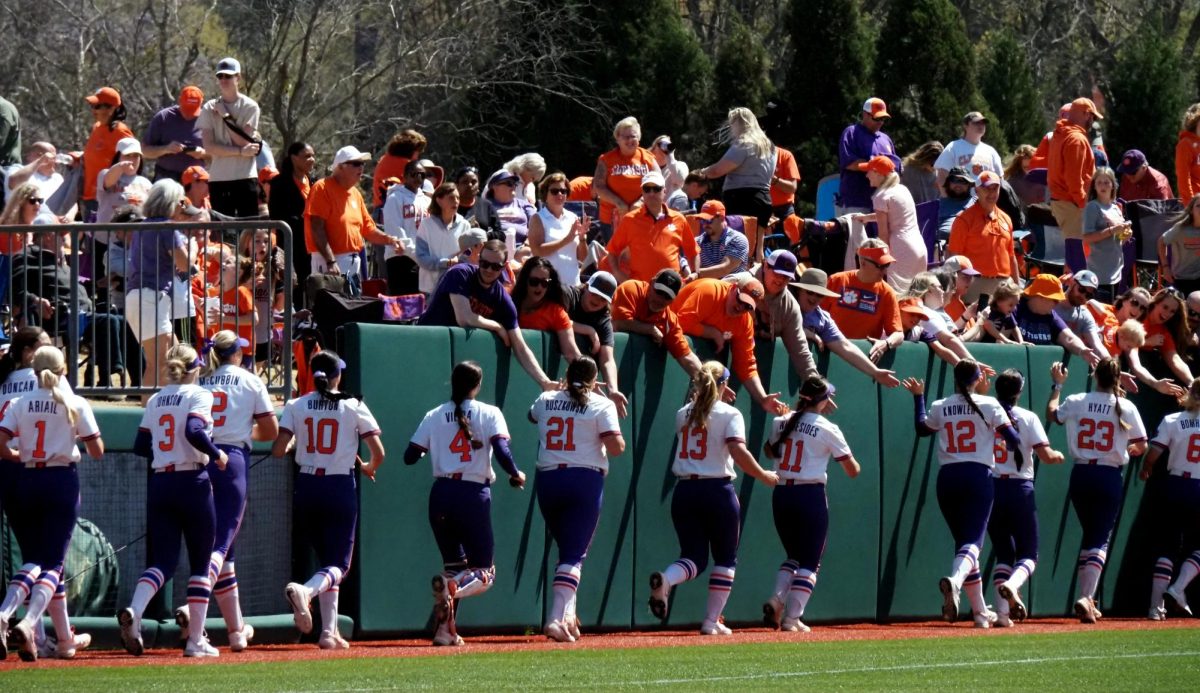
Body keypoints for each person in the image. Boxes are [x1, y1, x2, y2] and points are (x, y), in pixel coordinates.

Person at [647, 361, 778, 635]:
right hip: (717, 490)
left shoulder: (682, 414)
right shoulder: (730, 414)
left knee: (694, 556)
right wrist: (763, 474)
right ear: (723, 385)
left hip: (684, 491)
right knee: (725, 558)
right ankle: (711, 621)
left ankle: (668, 580)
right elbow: (738, 452)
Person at [404, 361, 523, 646]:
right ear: (477, 385)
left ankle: (446, 631)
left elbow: (410, 456)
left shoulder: (434, 414)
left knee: (455, 565)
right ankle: (452, 589)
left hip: (442, 493)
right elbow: (503, 451)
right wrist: (516, 473)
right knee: (485, 572)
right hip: (472, 494)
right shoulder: (489, 412)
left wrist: (430, 451)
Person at [121, 344, 227, 657]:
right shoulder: (199, 394)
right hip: (192, 480)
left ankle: (135, 610)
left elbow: (141, 445)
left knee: (162, 562)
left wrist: (166, 456)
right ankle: (195, 641)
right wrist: (218, 454)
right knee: (200, 563)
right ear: (196, 367)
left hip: (161, 481)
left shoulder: (155, 399)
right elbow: (194, 430)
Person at [0, 346, 103, 662]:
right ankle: (29, 623)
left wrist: (18, 455)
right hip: (60, 480)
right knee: (54, 563)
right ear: (64, 371)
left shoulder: (20, 402)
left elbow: (2, 442)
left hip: (28, 478)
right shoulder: (74, 402)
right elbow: (97, 449)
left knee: (33, 560)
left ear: (33, 372)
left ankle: (5, 615)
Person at [903, 359, 1021, 628]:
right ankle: (955, 583)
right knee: (974, 544)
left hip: (947, 478)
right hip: (977, 476)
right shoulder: (991, 404)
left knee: (965, 549)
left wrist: (918, 397)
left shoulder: (941, 405)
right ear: (978, 379)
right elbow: (1013, 441)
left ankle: (980, 614)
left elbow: (922, 429)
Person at [279, 350, 384, 650]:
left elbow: (278, 449)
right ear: (338, 375)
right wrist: (369, 468)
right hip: (337, 484)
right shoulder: (352, 404)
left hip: (307, 484)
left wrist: (298, 444)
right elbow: (378, 452)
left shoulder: (296, 404)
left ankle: (329, 631)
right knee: (340, 564)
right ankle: (306, 592)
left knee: (328, 563)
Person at [531, 356, 625, 642]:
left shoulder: (546, 397)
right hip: (583, 479)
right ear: (595, 380)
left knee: (569, 553)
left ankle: (568, 614)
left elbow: (533, 415)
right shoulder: (601, 404)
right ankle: (555, 619)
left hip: (548, 480)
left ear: (567, 373)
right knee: (573, 554)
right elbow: (617, 447)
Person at [1046, 358, 1147, 623]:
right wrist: (1128, 450)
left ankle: (1087, 600)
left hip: (1081, 473)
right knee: (1099, 539)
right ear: (1118, 378)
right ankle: (1087, 597)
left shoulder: (1078, 399)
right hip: (1108, 474)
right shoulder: (1125, 406)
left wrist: (1057, 385)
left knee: (1091, 536)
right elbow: (1141, 444)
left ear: (1095, 375)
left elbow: (1052, 414)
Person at [196, 330, 277, 652]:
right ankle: (196, 611)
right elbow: (269, 430)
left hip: (199, 458)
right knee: (222, 542)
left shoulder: (201, 380)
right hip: (231, 459)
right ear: (238, 353)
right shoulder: (249, 380)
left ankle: (235, 631)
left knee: (224, 550)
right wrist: (246, 431)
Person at [759, 376, 858, 633]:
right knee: (810, 561)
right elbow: (852, 470)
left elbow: (770, 452)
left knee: (794, 555)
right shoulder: (827, 427)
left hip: (781, 494)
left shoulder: (781, 421)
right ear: (822, 399)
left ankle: (777, 599)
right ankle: (792, 618)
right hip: (809, 495)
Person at [418, 240, 556, 390]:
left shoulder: (502, 298)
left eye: (496, 266)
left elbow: (520, 347)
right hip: (426, 346)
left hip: (457, 359)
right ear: (479, 260)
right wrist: (497, 326)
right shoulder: (460, 273)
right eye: (485, 264)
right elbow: (464, 318)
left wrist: (545, 382)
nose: (489, 269)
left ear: (503, 267)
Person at [988, 370, 1064, 627]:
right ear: (1019, 392)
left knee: (1003, 554)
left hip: (992, 487)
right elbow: (1047, 456)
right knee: (1029, 554)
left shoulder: (986, 412)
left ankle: (1001, 614)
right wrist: (1058, 455)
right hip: (1020, 487)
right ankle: (1012, 584)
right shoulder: (1028, 417)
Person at [127, 179, 204, 390]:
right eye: (181, 202)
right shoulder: (168, 228)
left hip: (145, 298)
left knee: (179, 358)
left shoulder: (144, 225)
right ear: (172, 202)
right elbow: (185, 264)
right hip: (150, 298)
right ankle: (148, 418)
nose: (183, 206)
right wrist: (194, 248)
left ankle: (174, 405)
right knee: (158, 364)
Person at [673, 277, 787, 414]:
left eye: (748, 306)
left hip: (695, 371)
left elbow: (746, 365)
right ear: (733, 288)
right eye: (741, 300)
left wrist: (762, 398)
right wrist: (713, 333)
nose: (741, 307)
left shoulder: (744, 323)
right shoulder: (710, 291)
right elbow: (679, 322)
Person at [305, 145, 402, 295]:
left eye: (362, 164)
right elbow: (317, 228)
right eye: (356, 164)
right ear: (340, 167)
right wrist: (330, 261)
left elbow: (368, 230)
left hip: (352, 262)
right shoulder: (322, 188)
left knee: (350, 309)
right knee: (329, 311)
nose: (361, 168)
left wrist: (390, 240)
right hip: (329, 261)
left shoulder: (355, 193)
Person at [1141, 376, 1200, 620]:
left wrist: (1146, 468)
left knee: (1168, 546)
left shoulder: (1173, 420)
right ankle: (1177, 588)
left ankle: (1156, 607)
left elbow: (1153, 454)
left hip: (1175, 483)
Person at [793, 267, 900, 386]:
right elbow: (774, 328)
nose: (813, 298)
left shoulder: (823, 318)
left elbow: (845, 346)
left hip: (804, 379)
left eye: (819, 294)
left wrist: (875, 372)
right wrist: (806, 333)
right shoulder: (786, 304)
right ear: (799, 290)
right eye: (809, 292)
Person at [728, 251, 819, 381]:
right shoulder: (737, 283)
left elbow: (800, 349)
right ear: (765, 266)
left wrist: (815, 384)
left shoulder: (789, 306)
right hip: (722, 355)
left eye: (786, 277)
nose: (781, 280)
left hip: (754, 369)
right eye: (777, 273)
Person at [605, 171, 699, 285]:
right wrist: (619, 275)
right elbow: (612, 251)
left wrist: (695, 273)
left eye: (656, 188)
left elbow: (693, 251)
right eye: (647, 189)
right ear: (642, 193)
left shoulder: (679, 219)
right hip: (640, 289)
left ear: (664, 191)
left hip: (672, 289)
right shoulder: (629, 220)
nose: (651, 193)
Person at [197, 58, 262, 218]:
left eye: (228, 76)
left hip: (245, 177)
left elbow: (243, 140)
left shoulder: (250, 106)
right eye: (221, 76)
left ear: (238, 78)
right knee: (222, 235)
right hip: (219, 179)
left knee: (249, 232)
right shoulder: (209, 107)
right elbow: (209, 147)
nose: (224, 80)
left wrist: (225, 116)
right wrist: (240, 152)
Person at [611, 268, 703, 377]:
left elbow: (687, 357)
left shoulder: (669, 320)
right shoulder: (632, 289)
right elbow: (619, 323)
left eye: (667, 296)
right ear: (652, 283)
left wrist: (709, 382)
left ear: (674, 299)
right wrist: (649, 329)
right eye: (659, 292)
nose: (660, 299)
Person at [853, 155, 925, 293]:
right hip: (919, 248)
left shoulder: (881, 196)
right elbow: (895, 216)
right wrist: (867, 218)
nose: (867, 175)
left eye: (869, 171)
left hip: (901, 250)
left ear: (878, 173)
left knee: (898, 298)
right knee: (917, 297)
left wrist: (879, 262)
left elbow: (883, 235)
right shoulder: (902, 190)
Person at [822, 240, 904, 361]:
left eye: (887, 266)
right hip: (829, 352)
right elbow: (817, 315)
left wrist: (886, 344)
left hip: (862, 358)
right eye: (880, 266)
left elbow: (898, 334)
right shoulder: (837, 280)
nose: (885, 271)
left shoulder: (887, 293)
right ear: (863, 262)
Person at [696, 107, 776, 231]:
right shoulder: (770, 147)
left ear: (739, 123)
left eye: (733, 123)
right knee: (757, 247)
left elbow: (717, 170)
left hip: (742, 201)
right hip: (764, 199)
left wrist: (699, 173)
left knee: (739, 243)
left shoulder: (744, 143)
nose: (731, 128)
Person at [946, 171, 1019, 302]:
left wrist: (1017, 286)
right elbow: (954, 258)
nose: (991, 193)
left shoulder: (1006, 218)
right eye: (986, 188)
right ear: (977, 190)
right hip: (975, 283)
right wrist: (955, 291)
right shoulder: (964, 220)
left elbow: (1011, 256)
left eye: (995, 188)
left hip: (1003, 285)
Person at [1048, 98, 1103, 272]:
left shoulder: (1060, 134)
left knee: (1073, 257)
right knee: (1077, 260)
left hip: (1062, 201)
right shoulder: (1077, 139)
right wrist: (1084, 206)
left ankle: (1072, 293)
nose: (1092, 122)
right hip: (1072, 204)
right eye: (1092, 117)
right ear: (1086, 114)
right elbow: (1074, 180)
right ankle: (1078, 296)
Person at [593, 116, 660, 240]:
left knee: (640, 255)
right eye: (625, 136)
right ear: (617, 138)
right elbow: (598, 186)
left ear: (638, 138)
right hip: (612, 219)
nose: (630, 140)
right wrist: (619, 203)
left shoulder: (648, 158)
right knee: (615, 255)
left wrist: (640, 202)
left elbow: (659, 183)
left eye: (633, 136)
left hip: (642, 216)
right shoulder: (606, 159)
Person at [1013, 275, 1102, 366]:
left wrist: (1082, 350)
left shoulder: (1051, 316)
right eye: (1055, 300)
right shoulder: (1015, 307)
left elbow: (1069, 338)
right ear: (1041, 296)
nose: (1058, 303)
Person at [837, 97, 901, 218]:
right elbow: (849, 163)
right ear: (864, 114)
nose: (880, 122)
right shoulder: (851, 133)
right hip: (857, 201)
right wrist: (875, 166)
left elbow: (894, 167)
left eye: (883, 119)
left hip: (883, 202)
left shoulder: (885, 139)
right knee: (857, 237)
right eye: (877, 118)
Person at [269, 142, 316, 304]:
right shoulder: (279, 183)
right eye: (307, 156)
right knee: (294, 285)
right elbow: (276, 214)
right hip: (291, 243)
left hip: (312, 243)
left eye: (313, 156)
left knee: (312, 284)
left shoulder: (314, 182)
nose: (312, 160)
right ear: (294, 158)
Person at [512, 257, 583, 362]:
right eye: (534, 281)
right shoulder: (509, 302)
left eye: (545, 283)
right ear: (525, 280)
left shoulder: (556, 312)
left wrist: (586, 374)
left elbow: (571, 352)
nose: (539, 287)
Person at [81, 87, 134, 220]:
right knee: (91, 240)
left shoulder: (120, 132)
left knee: (104, 240)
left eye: (97, 106)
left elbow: (133, 162)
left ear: (111, 109)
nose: (93, 110)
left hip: (107, 199)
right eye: (92, 106)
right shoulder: (96, 127)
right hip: (89, 197)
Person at [528, 172, 587, 287]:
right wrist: (567, 239)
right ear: (546, 194)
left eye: (563, 191)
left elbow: (583, 258)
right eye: (554, 191)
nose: (559, 194)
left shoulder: (573, 218)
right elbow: (537, 252)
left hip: (572, 285)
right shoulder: (538, 218)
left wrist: (582, 239)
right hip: (548, 286)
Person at [1083, 167, 1132, 302]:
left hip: (1116, 269)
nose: (1103, 186)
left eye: (1106, 182)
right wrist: (1113, 230)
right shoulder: (1092, 207)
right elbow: (1087, 237)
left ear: (1113, 185)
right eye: (1099, 182)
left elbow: (1118, 239)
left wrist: (1125, 234)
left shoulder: (1116, 207)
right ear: (1094, 186)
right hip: (1100, 271)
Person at [141, 86, 207, 182]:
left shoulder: (209, 120)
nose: (188, 115)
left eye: (192, 111)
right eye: (186, 110)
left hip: (196, 181)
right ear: (179, 100)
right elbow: (144, 151)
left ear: (201, 103)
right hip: (165, 177)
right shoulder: (163, 117)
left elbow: (219, 155)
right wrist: (166, 149)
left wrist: (202, 154)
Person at [381, 159, 428, 295]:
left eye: (422, 175)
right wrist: (417, 254)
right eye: (414, 174)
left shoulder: (426, 201)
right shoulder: (394, 198)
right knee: (403, 307)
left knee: (421, 306)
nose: (418, 178)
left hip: (422, 261)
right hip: (400, 259)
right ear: (405, 176)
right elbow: (395, 231)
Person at [415, 182, 469, 294]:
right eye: (451, 198)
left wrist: (458, 261)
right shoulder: (426, 225)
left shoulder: (465, 225)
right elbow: (421, 257)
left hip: (455, 286)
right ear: (439, 200)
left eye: (458, 198)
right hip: (430, 289)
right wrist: (445, 263)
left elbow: (467, 254)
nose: (456, 201)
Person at [934, 112, 1004, 192]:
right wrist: (948, 201)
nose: (981, 125)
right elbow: (941, 176)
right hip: (960, 202)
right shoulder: (953, 147)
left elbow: (1000, 179)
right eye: (976, 122)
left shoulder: (991, 151)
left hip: (985, 202)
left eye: (983, 123)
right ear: (965, 125)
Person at [1140, 288, 1194, 386]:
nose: (1167, 314)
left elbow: (1174, 359)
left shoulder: (1163, 332)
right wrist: (1146, 342)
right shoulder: (1138, 314)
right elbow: (1122, 339)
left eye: (1172, 311)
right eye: (1165, 307)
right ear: (1156, 303)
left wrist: (1192, 382)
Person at [96, 137, 152, 223]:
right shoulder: (105, 174)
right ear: (118, 157)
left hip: (137, 233)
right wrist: (120, 167)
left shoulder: (146, 183)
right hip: (108, 234)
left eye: (136, 156)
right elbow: (108, 181)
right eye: (127, 155)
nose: (132, 160)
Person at [1055, 271, 1107, 357]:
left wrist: (1110, 363)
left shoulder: (1084, 315)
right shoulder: (1051, 303)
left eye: (1088, 295)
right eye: (1081, 290)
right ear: (1072, 283)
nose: (1083, 296)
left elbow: (1097, 345)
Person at [483, 169, 535, 253]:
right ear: (495, 186)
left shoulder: (524, 205)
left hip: (522, 248)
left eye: (515, 184)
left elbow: (537, 225)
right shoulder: (484, 206)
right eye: (509, 184)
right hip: (494, 250)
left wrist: (528, 242)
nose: (513, 187)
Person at [373, 129, 426, 209]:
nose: (417, 157)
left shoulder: (384, 159)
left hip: (379, 208)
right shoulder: (407, 165)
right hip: (395, 208)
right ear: (410, 150)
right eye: (417, 152)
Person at [694, 200, 750, 279]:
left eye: (708, 220)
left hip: (732, 287)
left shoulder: (737, 239)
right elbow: (687, 262)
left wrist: (695, 274)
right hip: (705, 286)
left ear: (721, 218)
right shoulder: (697, 242)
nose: (705, 224)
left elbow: (724, 269)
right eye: (702, 220)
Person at [1158, 194, 1200, 295]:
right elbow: (1161, 242)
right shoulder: (1181, 229)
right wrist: (1165, 266)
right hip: (1180, 279)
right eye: (1198, 206)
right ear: (1191, 210)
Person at [900, 141, 944, 205]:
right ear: (925, 158)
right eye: (933, 164)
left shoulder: (940, 174)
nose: (936, 168)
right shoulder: (907, 170)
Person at [1005, 144, 1044, 209]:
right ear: (1019, 165)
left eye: (1032, 166)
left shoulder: (1046, 176)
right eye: (1026, 167)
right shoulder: (1013, 182)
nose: (1030, 170)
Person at [769, 145, 802, 220]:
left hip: (784, 210)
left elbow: (792, 188)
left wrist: (773, 179)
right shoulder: (751, 158)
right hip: (760, 209)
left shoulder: (785, 155)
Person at [1175, 104, 1200, 201]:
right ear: (1194, 121)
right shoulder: (1185, 144)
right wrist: (1191, 206)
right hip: (1196, 204)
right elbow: (1183, 179)